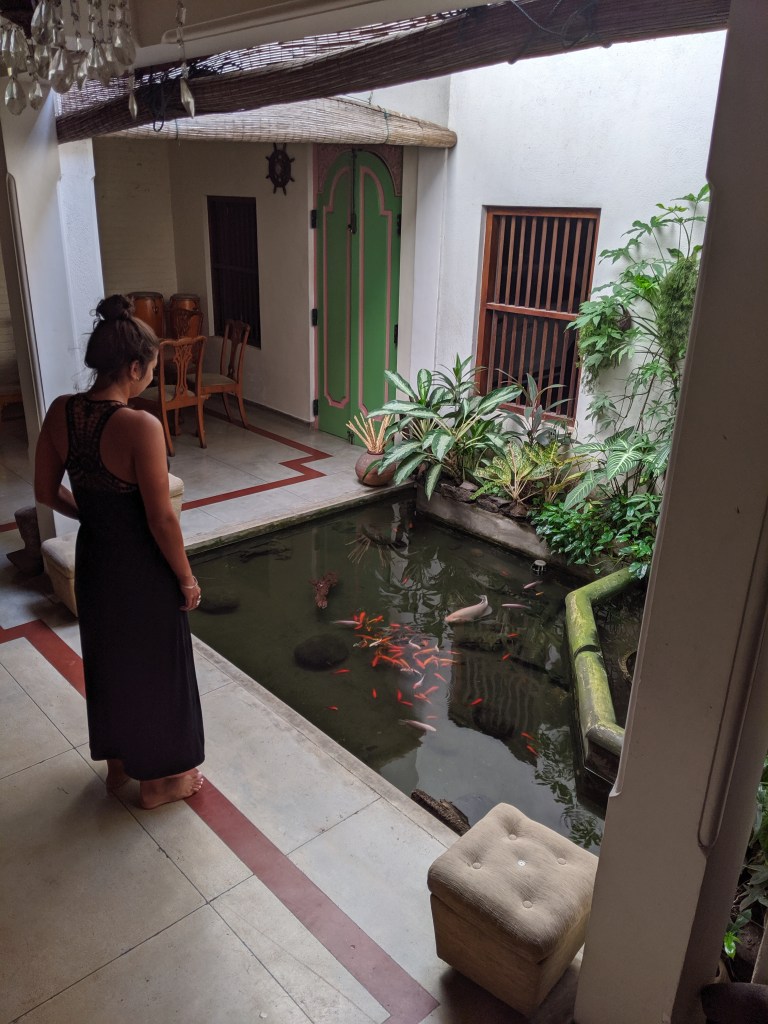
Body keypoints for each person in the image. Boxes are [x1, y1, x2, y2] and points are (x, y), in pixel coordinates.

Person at [34, 294, 205, 809]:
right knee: (156, 668)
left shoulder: (61, 412)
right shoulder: (141, 426)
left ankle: (119, 766)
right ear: (134, 367)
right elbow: (161, 518)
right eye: (151, 367)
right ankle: (159, 784)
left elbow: (45, 491)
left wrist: (94, 517)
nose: (152, 375)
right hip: (141, 569)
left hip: (96, 561)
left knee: (109, 661)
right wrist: (187, 578)